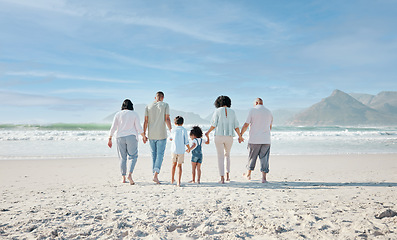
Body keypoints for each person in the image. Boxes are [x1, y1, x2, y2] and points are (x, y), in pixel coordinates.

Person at [205, 95, 244, 184]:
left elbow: (214, 124)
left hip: (218, 136)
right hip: (229, 137)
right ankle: (227, 176)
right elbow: (236, 126)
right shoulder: (232, 112)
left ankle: (222, 179)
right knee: (227, 155)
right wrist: (240, 136)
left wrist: (208, 132)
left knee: (220, 156)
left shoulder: (217, 111)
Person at [108, 99, 147, 185]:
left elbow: (113, 127)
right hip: (131, 137)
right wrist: (143, 136)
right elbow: (138, 127)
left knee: (122, 158)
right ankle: (129, 174)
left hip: (120, 137)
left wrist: (110, 138)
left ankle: (123, 177)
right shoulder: (134, 114)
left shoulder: (118, 114)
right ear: (131, 106)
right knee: (133, 157)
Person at [240, 98, 273, 183]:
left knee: (252, 157)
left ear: (256, 103)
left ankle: (248, 175)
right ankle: (264, 178)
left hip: (254, 139)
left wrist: (241, 135)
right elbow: (270, 127)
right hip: (266, 140)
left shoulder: (252, 110)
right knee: (264, 159)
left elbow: (246, 124)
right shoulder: (269, 112)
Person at [143, 91, 172, 184]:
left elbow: (145, 121)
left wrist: (144, 134)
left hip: (151, 134)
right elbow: (167, 119)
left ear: (155, 97)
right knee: (160, 155)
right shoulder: (165, 105)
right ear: (162, 97)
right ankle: (155, 174)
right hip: (161, 134)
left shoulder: (148, 106)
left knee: (153, 155)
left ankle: (154, 174)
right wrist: (171, 130)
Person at [169, 116, 190, 187]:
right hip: (181, 150)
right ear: (182, 123)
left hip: (174, 150)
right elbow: (186, 141)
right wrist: (189, 148)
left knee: (173, 164)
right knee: (179, 166)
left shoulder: (173, 130)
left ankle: (172, 179)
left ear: (175, 123)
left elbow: (170, 138)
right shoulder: (184, 130)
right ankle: (178, 182)